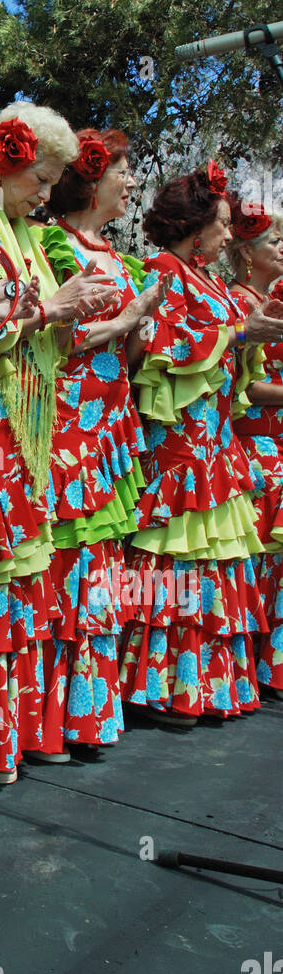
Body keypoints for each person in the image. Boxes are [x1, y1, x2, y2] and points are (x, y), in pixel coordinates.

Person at [0, 105, 119, 795]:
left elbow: (47, 331)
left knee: (7, 594)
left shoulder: (27, 236)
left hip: (22, 430)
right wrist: (47, 310)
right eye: (41, 177)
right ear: (7, 161)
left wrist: (80, 316)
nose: (47, 193)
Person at [120, 165, 283, 724]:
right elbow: (158, 343)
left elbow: (235, 357)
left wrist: (250, 336)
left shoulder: (207, 278)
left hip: (213, 437)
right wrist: (238, 334)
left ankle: (203, 685)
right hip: (179, 440)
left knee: (211, 559)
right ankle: (161, 687)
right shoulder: (164, 269)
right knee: (177, 558)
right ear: (194, 228)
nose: (227, 233)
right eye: (219, 223)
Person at [37, 129, 168, 759]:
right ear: (92, 176)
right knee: (66, 563)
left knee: (99, 569)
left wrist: (137, 330)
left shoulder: (115, 253)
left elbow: (128, 348)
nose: (133, 182)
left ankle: (83, 716)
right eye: (124, 170)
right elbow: (55, 340)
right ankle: (47, 721)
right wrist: (123, 321)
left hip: (110, 426)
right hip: (69, 425)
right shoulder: (52, 244)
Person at [228, 197, 283, 700]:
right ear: (248, 254)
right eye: (274, 242)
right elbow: (248, 388)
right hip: (257, 444)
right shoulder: (241, 303)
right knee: (260, 559)